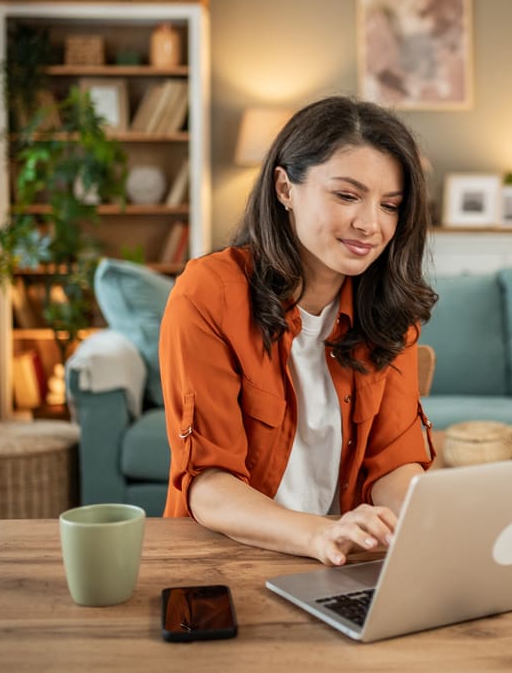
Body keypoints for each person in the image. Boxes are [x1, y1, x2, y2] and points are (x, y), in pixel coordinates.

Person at [159, 96, 438, 567]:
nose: (370, 224)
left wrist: (432, 523)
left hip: (343, 563)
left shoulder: (390, 311)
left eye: (390, 205)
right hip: (224, 560)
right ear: (285, 188)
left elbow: (393, 464)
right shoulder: (209, 292)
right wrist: (320, 534)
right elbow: (208, 485)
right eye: (347, 196)